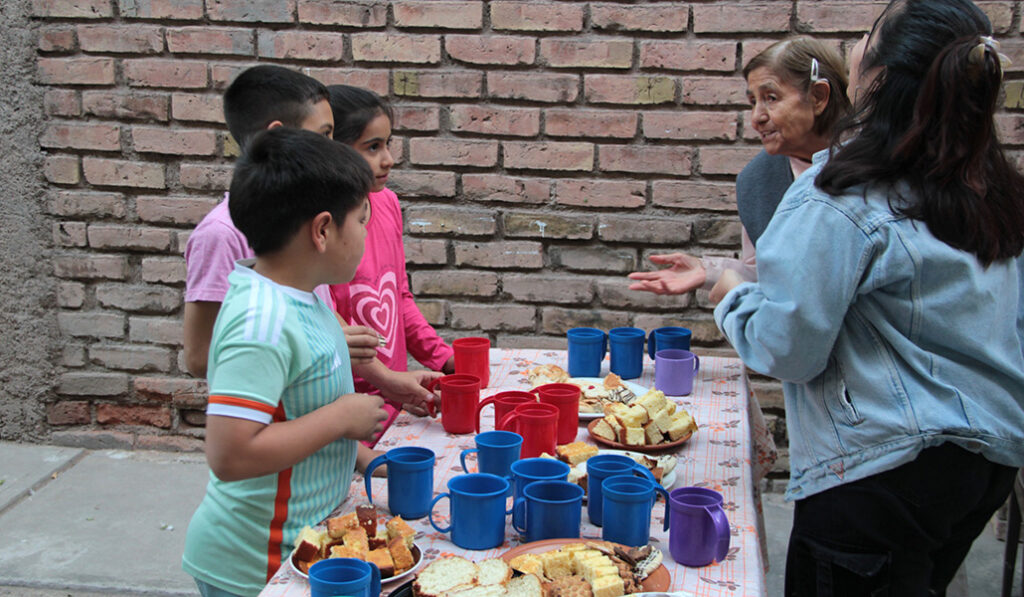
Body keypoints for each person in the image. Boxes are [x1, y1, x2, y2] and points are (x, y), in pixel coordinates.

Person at [711, 1, 1024, 594]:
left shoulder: (841, 196)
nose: (855, 40)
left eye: (867, 32)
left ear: (876, 71)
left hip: (882, 472)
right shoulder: (990, 188)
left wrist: (730, 293)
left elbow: (787, 351)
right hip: (986, 462)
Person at [182, 128, 394, 597]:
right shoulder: (261, 323)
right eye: (361, 220)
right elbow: (230, 455)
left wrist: (366, 460)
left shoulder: (305, 296)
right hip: (256, 565)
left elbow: (294, 413)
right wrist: (342, 418)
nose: (365, 232)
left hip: (307, 542)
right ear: (322, 230)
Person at [183, 66, 435, 460]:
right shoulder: (222, 235)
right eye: (325, 136)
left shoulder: (305, 228)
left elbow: (315, 318)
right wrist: (337, 410)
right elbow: (201, 359)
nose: (336, 148)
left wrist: (383, 384)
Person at [627, 38, 851, 299]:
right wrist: (707, 271)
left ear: (818, 97)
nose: (757, 118)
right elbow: (770, 278)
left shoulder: (880, 168)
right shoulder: (758, 181)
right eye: (753, 102)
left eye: (771, 98)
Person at [326, 84, 455, 438]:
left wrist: (444, 359)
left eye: (387, 143)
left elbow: (398, 297)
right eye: (372, 147)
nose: (388, 159)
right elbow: (325, 320)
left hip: (395, 399)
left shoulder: (386, 204)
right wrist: (384, 381)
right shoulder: (318, 227)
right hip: (346, 409)